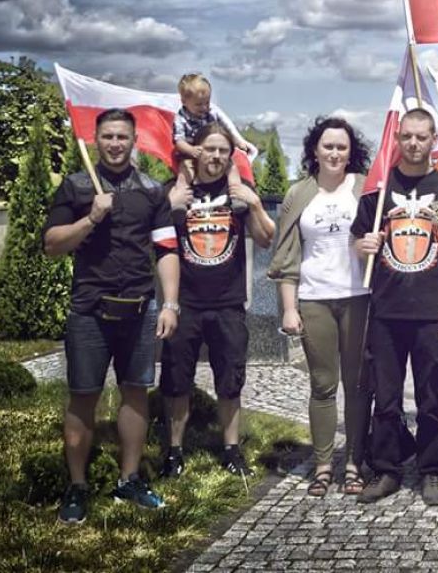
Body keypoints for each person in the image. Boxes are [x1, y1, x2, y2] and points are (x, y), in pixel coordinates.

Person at [44, 108, 180, 524]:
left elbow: (166, 249)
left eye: (122, 137)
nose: (115, 144)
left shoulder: (152, 191)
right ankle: (77, 486)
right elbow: (52, 244)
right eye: (108, 136)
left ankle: (129, 479)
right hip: (89, 309)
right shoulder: (77, 185)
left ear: (134, 141)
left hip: (139, 308)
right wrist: (91, 216)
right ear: (96, 139)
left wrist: (170, 303)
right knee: (83, 395)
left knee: (135, 391)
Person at [352, 109, 438, 505]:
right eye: (407, 137)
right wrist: (362, 246)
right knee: (385, 397)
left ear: (434, 139)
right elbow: (358, 239)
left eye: (421, 137)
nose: (414, 144)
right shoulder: (379, 188)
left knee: (432, 394)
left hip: (431, 310)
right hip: (386, 310)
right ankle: (386, 469)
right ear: (397, 139)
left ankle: (432, 470)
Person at [161, 123, 275, 479]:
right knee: (177, 380)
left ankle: (231, 449)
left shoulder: (238, 194)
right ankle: (174, 451)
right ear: (196, 150)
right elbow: (150, 235)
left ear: (231, 156)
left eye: (223, 150)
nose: (215, 156)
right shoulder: (176, 190)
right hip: (186, 303)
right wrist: (169, 205)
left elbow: (266, 239)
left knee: (230, 379)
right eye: (209, 149)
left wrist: (255, 203)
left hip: (228, 303)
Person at [268, 116, 372, 496]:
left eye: (342, 147)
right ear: (315, 149)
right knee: (323, 385)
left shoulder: (364, 188)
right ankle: (324, 464)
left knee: (358, 385)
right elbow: (286, 257)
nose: (334, 153)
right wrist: (289, 308)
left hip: (359, 298)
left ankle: (356, 463)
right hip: (314, 299)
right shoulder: (299, 194)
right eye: (328, 146)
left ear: (351, 151)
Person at [173, 73, 251, 192]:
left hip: (212, 151)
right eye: (199, 104)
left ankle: (236, 190)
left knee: (231, 166)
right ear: (184, 101)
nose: (204, 107)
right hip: (191, 154)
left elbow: (227, 126)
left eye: (207, 103)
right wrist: (190, 150)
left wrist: (238, 140)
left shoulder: (212, 113)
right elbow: (178, 141)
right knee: (185, 168)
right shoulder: (180, 119)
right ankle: (181, 193)